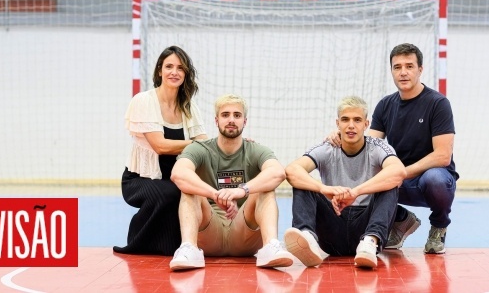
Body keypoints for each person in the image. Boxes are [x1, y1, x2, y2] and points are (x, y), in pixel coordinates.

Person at [328, 43, 459, 254]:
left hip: (430, 180)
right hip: (398, 181)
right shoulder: (386, 105)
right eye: (397, 67)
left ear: (420, 70)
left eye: (409, 66)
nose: (403, 72)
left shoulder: (438, 103)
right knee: (358, 175)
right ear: (392, 71)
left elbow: (442, 156)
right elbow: (367, 148)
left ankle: (438, 226)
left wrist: (399, 173)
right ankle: (400, 219)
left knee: (435, 179)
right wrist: (343, 136)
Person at [169, 94, 295, 271]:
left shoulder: (256, 150)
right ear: (216, 120)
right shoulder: (200, 149)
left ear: (245, 121)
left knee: (266, 188)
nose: (231, 120)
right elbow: (178, 174)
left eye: (237, 115)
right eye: (225, 114)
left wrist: (241, 190)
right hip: (209, 232)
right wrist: (214, 194)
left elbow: (278, 173)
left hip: (244, 233)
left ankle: (271, 247)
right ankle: (189, 249)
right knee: (190, 188)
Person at [284, 96, 406, 269]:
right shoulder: (326, 148)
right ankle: (307, 238)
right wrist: (323, 188)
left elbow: (399, 171)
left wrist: (355, 192)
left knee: (391, 183)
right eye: (345, 119)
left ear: (366, 124)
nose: (350, 125)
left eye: (357, 120)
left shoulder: (378, 146)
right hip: (332, 228)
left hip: (365, 225)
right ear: (337, 123)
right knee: (303, 183)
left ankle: (370, 241)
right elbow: (291, 170)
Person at [113, 46, 208, 256]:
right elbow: (161, 146)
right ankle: (138, 243)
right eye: (169, 66)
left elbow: (206, 146)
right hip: (140, 178)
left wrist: (236, 142)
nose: (174, 72)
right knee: (171, 193)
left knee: (191, 193)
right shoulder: (144, 101)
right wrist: (194, 144)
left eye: (180, 68)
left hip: (174, 177)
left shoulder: (189, 108)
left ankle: (180, 247)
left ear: (186, 74)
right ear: (159, 71)